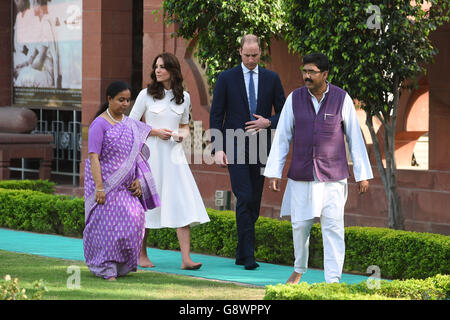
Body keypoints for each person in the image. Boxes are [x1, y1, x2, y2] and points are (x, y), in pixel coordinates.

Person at [264, 53, 373, 284]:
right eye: (304, 71)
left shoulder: (342, 98)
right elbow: (282, 135)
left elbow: (355, 137)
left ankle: (333, 280)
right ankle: (299, 268)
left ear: (325, 74)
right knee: (300, 226)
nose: (306, 76)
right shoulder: (295, 98)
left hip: (333, 177)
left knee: (333, 228)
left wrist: (362, 175)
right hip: (301, 175)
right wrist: (274, 170)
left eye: (312, 72)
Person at [209, 34, 286, 270]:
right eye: (247, 55)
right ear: (240, 52)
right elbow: (216, 114)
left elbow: (284, 113)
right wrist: (217, 147)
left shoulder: (272, 78)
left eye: (255, 55)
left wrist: (268, 122)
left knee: (254, 199)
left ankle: (241, 251)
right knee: (244, 196)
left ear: (260, 53)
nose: (251, 59)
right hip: (234, 144)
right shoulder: (226, 78)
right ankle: (249, 256)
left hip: (262, 146)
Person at [129, 52, 210, 270]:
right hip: (150, 157)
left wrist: (183, 134)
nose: (158, 70)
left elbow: (185, 125)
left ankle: (186, 259)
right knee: (145, 204)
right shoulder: (145, 95)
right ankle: (141, 256)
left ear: (172, 70)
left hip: (175, 158)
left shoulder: (184, 96)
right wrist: (155, 132)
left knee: (181, 202)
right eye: (156, 66)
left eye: (162, 67)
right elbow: (131, 124)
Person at [83, 81, 161, 281]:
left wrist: (138, 180)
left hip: (126, 187)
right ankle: (105, 267)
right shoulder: (98, 124)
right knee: (108, 227)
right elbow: (93, 157)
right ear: (109, 99)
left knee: (135, 219)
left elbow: (135, 155)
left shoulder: (130, 125)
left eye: (128, 100)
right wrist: (99, 188)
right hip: (105, 187)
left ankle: (121, 265)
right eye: (121, 100)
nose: (125, 104)